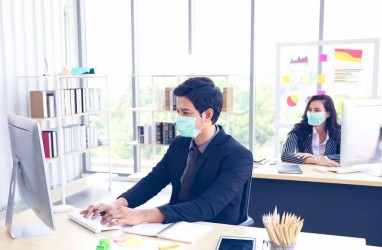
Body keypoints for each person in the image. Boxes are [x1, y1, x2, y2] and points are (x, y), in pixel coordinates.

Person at [81, 77, 253, 226]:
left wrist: (142, 215)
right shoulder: (180, 144)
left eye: (186, 112)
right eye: (178, 112)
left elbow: (206, 206)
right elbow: (153, 182)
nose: (179, 119)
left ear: (207, 115)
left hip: (214, 230)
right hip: (177, 225)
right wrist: (117, 204)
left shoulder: (238, 156)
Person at [281, 94, 341, 167]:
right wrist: (315, 160)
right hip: (306, 174)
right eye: (309, 110)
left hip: (330, 174)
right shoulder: (298, 129)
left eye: (317, 110)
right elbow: (285, 155)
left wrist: (318, 158)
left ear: (328, 114)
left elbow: (345, 157)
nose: (311, 113)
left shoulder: (339, 131)